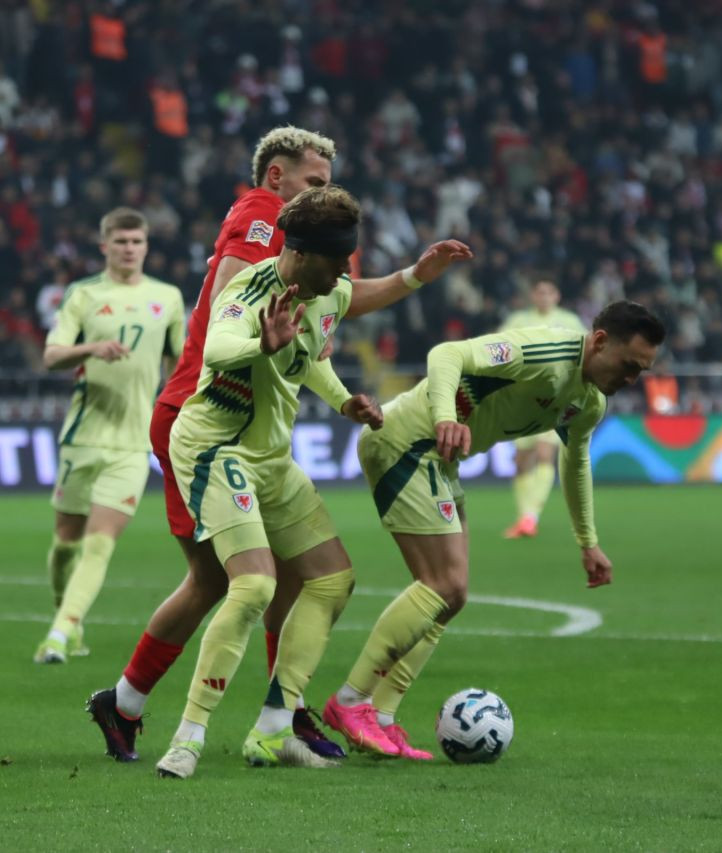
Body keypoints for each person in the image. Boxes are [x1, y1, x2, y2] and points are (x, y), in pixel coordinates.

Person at [85, 126, 471, 762]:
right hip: (209, 412)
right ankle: (196, 718)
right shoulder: (264, 221)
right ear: (277, 178)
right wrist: (261, 343)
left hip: (256, 423)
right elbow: (241, 305)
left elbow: (334, 303)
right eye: (315, 181)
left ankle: (265, 715)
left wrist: (406, 282)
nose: (325, 191)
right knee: (238, 582)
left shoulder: (304, 247)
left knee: (283, 580)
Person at [323, 301, 666, 758]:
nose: (632, 380)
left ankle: (381, 716)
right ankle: (349, 701)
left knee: (453, 595)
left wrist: (588, 542)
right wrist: (446, 415)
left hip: (441, 460)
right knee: (442, 585)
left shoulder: (588, 402)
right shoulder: (545, 352)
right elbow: (447, 354)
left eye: (641, 371)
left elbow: (575, 461)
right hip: (407, 441)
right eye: (629, 365)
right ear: (600, 342)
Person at [153, 184, 383, 779]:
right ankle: (188, 737)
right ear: (301, 254)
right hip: (213, 447)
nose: (344, 276)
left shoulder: (327, 294)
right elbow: (221, 348)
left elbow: (314, 359)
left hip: (270, 456)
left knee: (333, 579)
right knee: (253, 586)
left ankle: (275, 729)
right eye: (337, 262)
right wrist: (263, 341)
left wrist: (343, 402)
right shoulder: (248, 289)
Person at [32, 208, 185, 663]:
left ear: (146, 246)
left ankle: (60, 634)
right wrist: (91, 348)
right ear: (105, 246)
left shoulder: (168, 297)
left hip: (134, 444)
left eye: (136, 241)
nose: (129, 249)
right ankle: (67, 616)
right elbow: (52, 356)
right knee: (66, 543)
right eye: (120, 242)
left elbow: (181, 365)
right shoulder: (83, 295)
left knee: (101, 543)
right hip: (82, 437)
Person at [499, 279, 586, 538]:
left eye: (549, 292)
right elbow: (497, 349)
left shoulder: (570, 322)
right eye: (539, 292)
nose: (544, 296)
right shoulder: (517, 321)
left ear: (557, 295)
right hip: (522, 398)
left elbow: (585, 353)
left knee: (546, 453)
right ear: (533, 295)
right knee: (522, 461)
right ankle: (525, 517)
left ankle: (530, 518)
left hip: (555, 397)